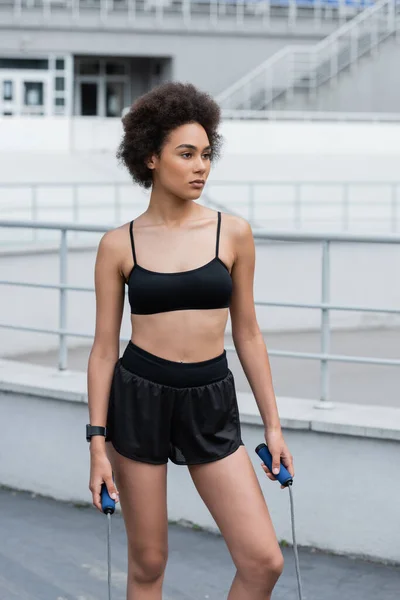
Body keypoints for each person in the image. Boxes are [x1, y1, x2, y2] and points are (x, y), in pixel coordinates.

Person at [87, 81, 294, 600]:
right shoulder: (118, 244)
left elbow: (247, 331)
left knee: (263, 561)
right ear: (151, 158)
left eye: (206, 154)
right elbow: (104, 349)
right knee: (148, 564)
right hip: (139, 397)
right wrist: (96, 442)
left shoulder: (234, 233)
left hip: (210, 398)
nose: (201, 166)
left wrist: (273, 425)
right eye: (186, 154)